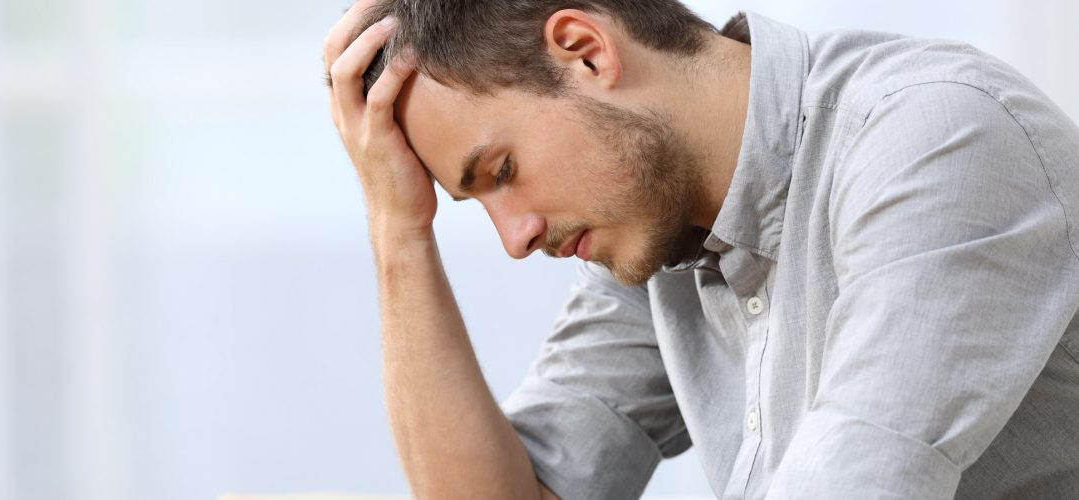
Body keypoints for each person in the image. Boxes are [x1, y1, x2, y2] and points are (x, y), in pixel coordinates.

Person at [323, 0, 1079, 498]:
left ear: (585, 51)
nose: (516, 238)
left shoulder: (936, 136)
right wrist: (399, 230)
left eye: (503, 172)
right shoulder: (659, 231)